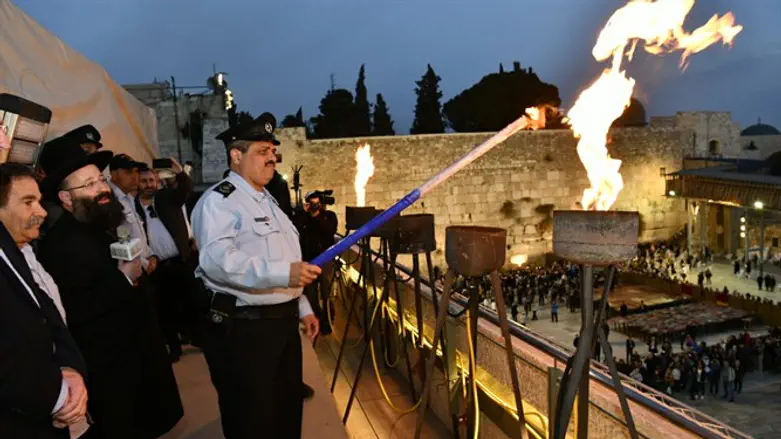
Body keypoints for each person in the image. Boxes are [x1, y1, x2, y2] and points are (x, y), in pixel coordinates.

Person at [35, 139, 183, 438]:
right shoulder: (61, 244)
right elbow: (75, 310)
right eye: (89, 184)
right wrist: (124, 279)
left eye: (100, 180)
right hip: (112, 371)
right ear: (66, 197)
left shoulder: (100, 225)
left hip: (138, 357)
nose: (102, 189)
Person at [192, 112, 321, 438]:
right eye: (262, 151)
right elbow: (218, 261)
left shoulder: (267, 200)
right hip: (247, 331)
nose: (272, 158)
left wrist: (302, 307)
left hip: (282, 326)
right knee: (252, 419)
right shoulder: (220, 202)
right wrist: (284, 274)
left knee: (286, 412)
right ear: (236, 156)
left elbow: (285, 259)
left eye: (273, 151)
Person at [0, 163, 89, 438]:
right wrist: (57, 399)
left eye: (39, 201)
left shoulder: (17, 252)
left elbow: (48, 315)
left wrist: (70, 369)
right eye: (28, 202)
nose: (41, 212)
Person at [135, 160, 197, 361]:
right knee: (165, 308)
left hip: (181, 260)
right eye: (144, 181)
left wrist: (179, 171)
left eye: (151, 180)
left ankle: (197, 337)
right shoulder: (133, 206)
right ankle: (174, 346)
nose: (149, 185)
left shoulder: (166, 198)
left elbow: (185, 189)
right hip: (157, 267)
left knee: (191, 302)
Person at [297, 190, 338, 336]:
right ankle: (316, 320)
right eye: (311, 204)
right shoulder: (303, 217)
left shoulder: (329, 216)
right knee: (310, 295)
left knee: (327, 294)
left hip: (325, 260)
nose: (314, 207)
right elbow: (297, 231)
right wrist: (306, 214)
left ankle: (328, 322)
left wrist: (317, 216)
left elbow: (329, 231)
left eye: (317, 204)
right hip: (308, 261)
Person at [108, 153, 157, 274]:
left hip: (143, 266)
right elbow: (120, 241)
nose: (135, 177)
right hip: (130, 269)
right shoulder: (111, 200)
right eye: (129, 172)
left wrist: (151, 255)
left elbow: (137, 233)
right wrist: (145, 263)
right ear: (114, 174)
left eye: (136, 172)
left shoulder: (128, 198)